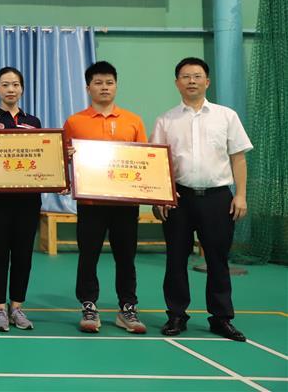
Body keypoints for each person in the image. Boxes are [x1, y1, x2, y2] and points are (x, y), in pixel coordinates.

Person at [151, 57, 252, 341]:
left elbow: (238, 158)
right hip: (178, 199)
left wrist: (241, 195)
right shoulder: (165, 120)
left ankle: (221, 318)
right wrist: (161, 197)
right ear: (177, 83)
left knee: (218, 260)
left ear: (207, 81)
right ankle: (176, 315)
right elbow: (157, 162)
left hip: (218, 198)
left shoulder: (226, 116)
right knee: (175, 259)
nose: (191, 81)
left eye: (197, 76)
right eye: (185, 76)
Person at [63, 60, 147, 335]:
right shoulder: (74, 122)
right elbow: (61, 159)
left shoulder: (133, 121)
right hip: (90, 203)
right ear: (88, 88)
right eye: (98, 83)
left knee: (126, 257)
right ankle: (88, 305)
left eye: (109, 82)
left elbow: (146, 161)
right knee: (88, 256)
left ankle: (128, 307)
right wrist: (66, 160)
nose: (104, 87)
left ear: (116, 86)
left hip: (125, 203)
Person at [0, 67, 42, 332]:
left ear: (22, 88)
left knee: (23, 254)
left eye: (15, 84)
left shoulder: (33, 121)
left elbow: (42, 158)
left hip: (28, 200)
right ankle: (0, 309)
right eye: (5, 84)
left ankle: (17, 308)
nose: (10, 89)